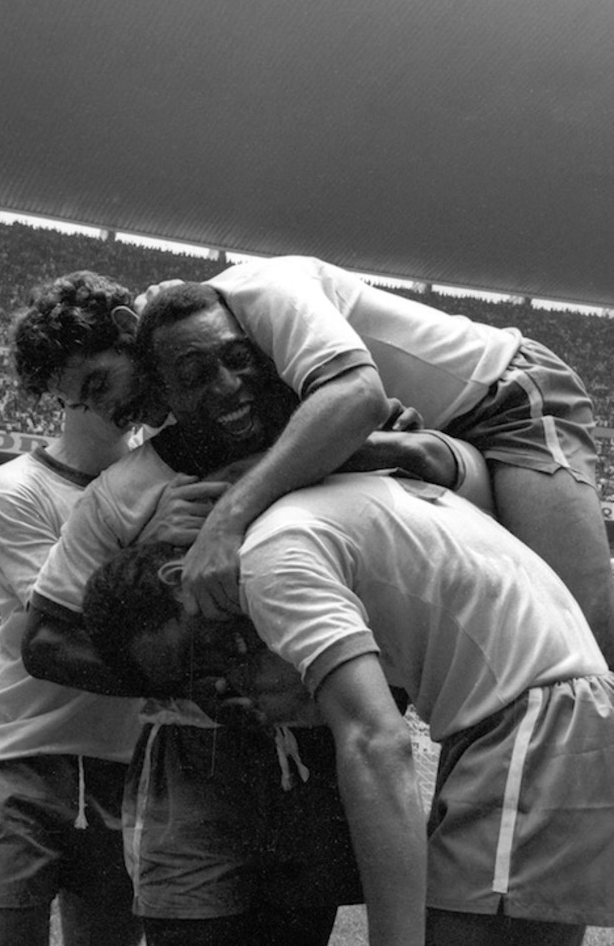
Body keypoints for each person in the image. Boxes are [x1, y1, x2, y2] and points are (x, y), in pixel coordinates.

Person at [24, 308, 614, 946]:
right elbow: (45, 637)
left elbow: (374, 739)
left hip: (510, 728)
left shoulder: (282, 524)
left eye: (218, 656)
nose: (227, 684)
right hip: (510, 716)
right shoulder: (241, 492)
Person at [0, 269, 271, 946]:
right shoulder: (15, 488)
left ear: (134, 344)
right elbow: (67, 634)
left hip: (130, 765)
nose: (101, 403)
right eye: (77, 393)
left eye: (102, 378)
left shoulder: (176, 460)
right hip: (22, 753)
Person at [133, 262, 614, 670]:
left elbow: (360, 397)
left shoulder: (269, 289)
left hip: (506, 399)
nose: (223, 383)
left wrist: (226, 518)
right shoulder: (210, 352)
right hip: (436, 445)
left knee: (583, 627)